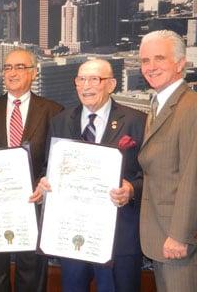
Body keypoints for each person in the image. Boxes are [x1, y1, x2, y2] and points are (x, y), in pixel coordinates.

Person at [38, 59, 145, 291]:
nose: (86, 85)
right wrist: (45, 182)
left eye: (94, 79)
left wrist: (132, 189)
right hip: (72, 234)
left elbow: (151, 175)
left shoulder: (137, 121)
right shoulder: (60, 121)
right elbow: (49, 166)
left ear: (112, 84)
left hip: (119, 237)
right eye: (80, 79)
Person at [0, 49, 63, 292]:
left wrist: (43, 183)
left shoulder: (53, 110)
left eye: (20, 67)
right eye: (8, 67)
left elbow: (56, 158)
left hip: (33, 203)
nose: (12, 73)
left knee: (31, 271)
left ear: (33, 73)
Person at [138, 30, 197, 291]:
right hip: (159, 233)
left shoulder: (191, 107)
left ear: (180, 63)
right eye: (145, 61)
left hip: (177, 239)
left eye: (159, 58)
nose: (150, 67)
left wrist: (180, 235)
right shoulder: (160, 103)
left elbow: (192, 177)